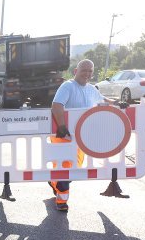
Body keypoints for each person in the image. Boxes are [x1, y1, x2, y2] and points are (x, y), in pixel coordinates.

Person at [49, 59, 114, 212]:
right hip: (62, 136)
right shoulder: (68, 86)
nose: (87, 73)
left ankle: (54, 182)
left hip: (79, 138)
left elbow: (103, 100)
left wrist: (117, 103)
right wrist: (62, 127)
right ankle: (62, 201)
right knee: (65, 168)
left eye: (90, 71)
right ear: (75, 71)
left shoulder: (92, 89)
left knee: (75, 168)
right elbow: (57, 105)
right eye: (84, 70)